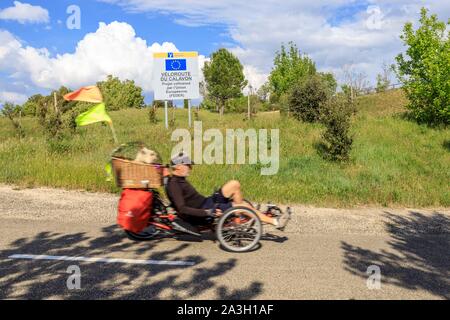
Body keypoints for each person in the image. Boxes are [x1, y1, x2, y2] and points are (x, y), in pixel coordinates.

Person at [166, 153, 291, 231]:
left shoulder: (180, 180)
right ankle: (276, 222)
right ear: (178, 167)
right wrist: (207, 212)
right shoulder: (174, 185)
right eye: (188, 165)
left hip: (208, 201)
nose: (190, 168)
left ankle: (238, 218)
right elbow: (182, 209)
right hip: (205, 209)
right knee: (244, 206)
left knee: (234, 184)